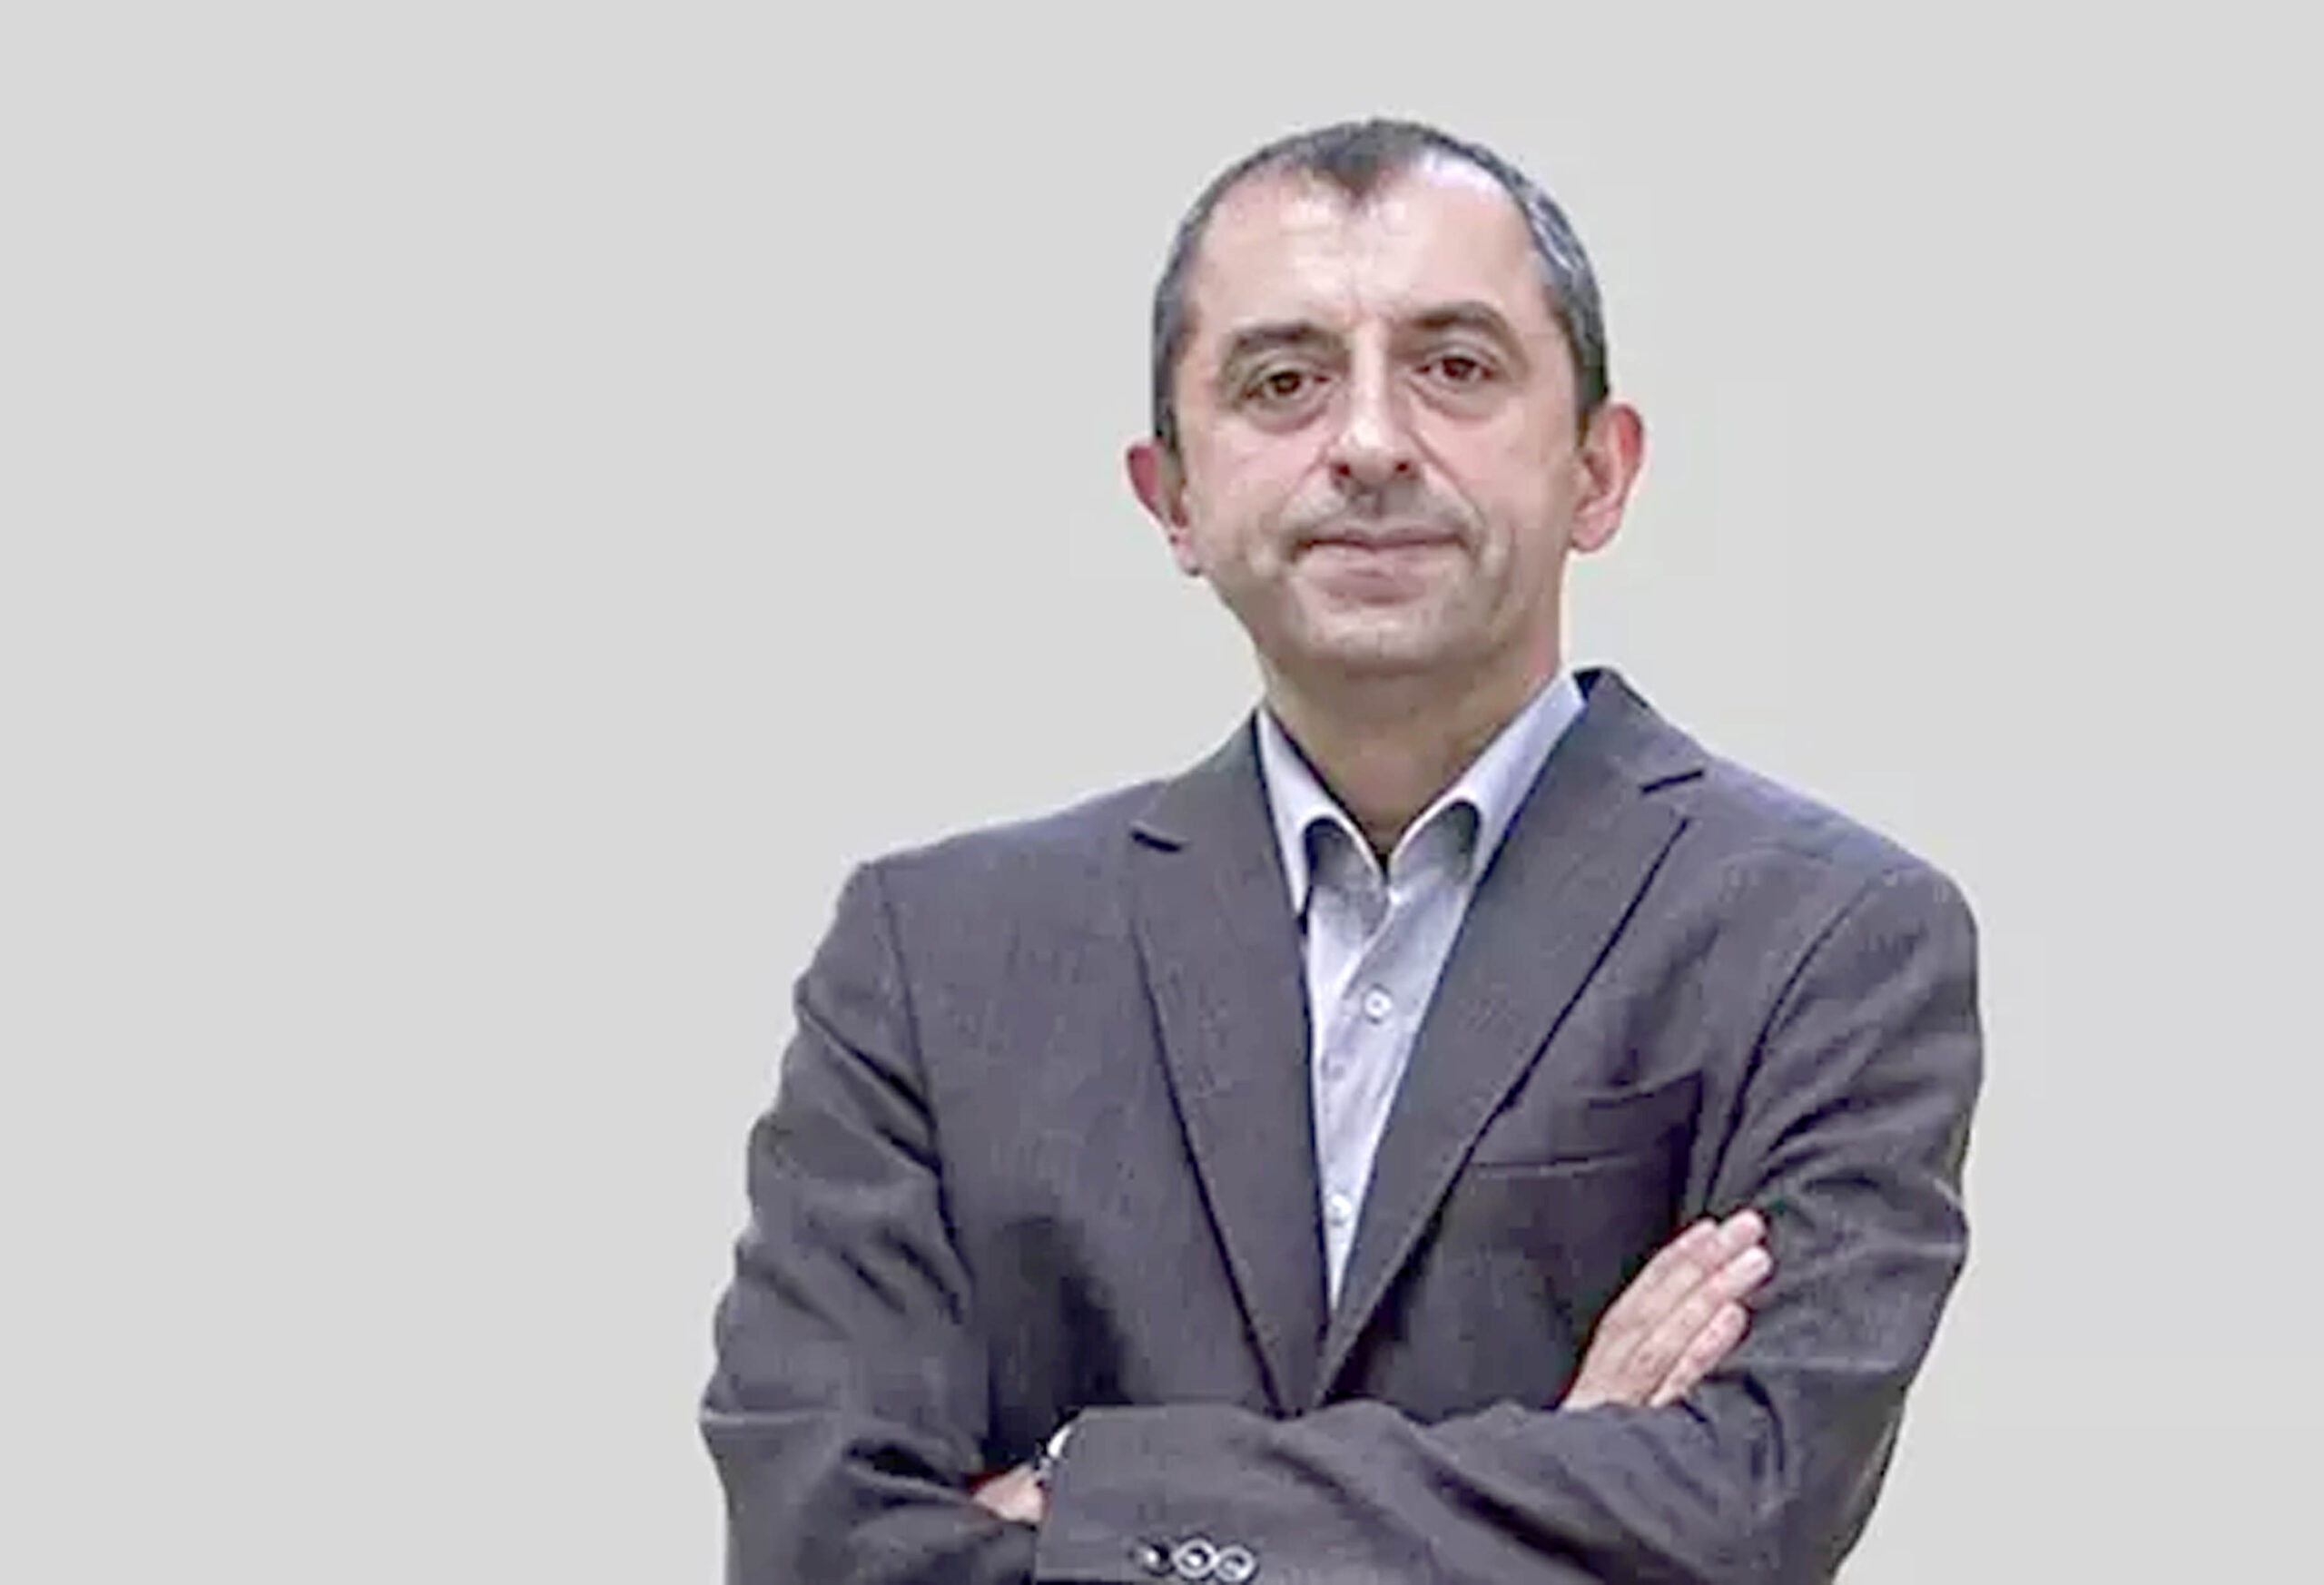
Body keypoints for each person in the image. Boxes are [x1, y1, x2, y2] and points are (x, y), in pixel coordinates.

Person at [701, 117, 1982, 1584]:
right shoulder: (932, 961)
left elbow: (1740, 1509)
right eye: (1283, 381)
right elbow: (818, 1539)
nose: (1370, 442)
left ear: (1599, 471)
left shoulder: (1830, 939)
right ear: (1174, 497)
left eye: (1457, 367)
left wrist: (1096, 1490)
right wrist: (1576, 1471)